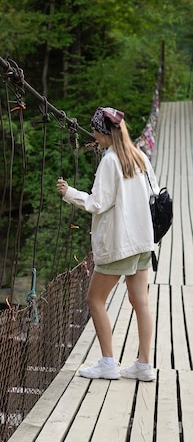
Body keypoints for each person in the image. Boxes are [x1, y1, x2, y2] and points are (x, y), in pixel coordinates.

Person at [56, 106, 159, 381]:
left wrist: (69, 194)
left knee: (95, 298)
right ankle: (144, 365)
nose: (92, 135)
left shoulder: (110, 161)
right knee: (141, 301)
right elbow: (154, 194)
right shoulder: (140, 157)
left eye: (94, 130)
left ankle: (108, 362)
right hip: (144, 241)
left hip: (119, 244)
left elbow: (97, 202)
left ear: (104, 132)